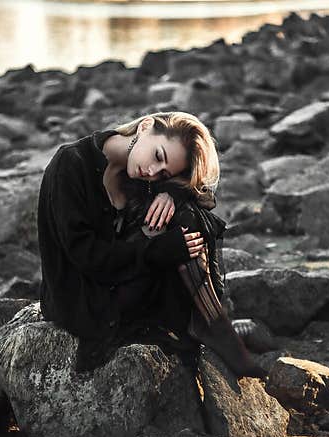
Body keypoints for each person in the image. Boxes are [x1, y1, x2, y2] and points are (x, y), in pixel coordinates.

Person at [37, 111, 263, 376]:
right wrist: (158, 251)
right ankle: (213, 327)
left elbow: (205, 198)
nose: (152, 172)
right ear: (145, 126)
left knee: (187, 215)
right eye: (158, 156)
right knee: (179, 234)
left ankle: (212, 323)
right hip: (81, 295)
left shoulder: (142, 175)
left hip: (120, 280)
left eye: (163, 172)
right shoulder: (72, 163)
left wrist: (172, 192)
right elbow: (87, 256)